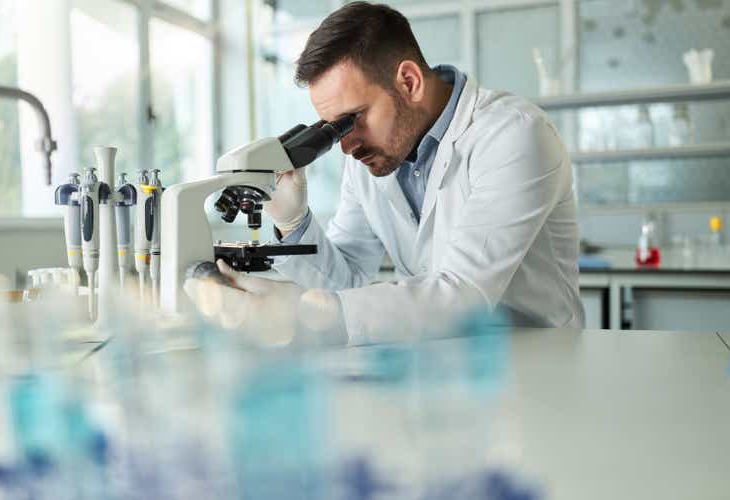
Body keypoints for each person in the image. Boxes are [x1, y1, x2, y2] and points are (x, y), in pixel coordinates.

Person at [186, 1, 584, 346]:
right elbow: (348, 281)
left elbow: (463, 295)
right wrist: (293, 224)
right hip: (444, 366)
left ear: (408, 82)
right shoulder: (372, 156)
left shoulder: (512, 135)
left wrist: (303, 313)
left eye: (352, 119)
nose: (346, 143)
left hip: (538, 365)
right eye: (332, 127)